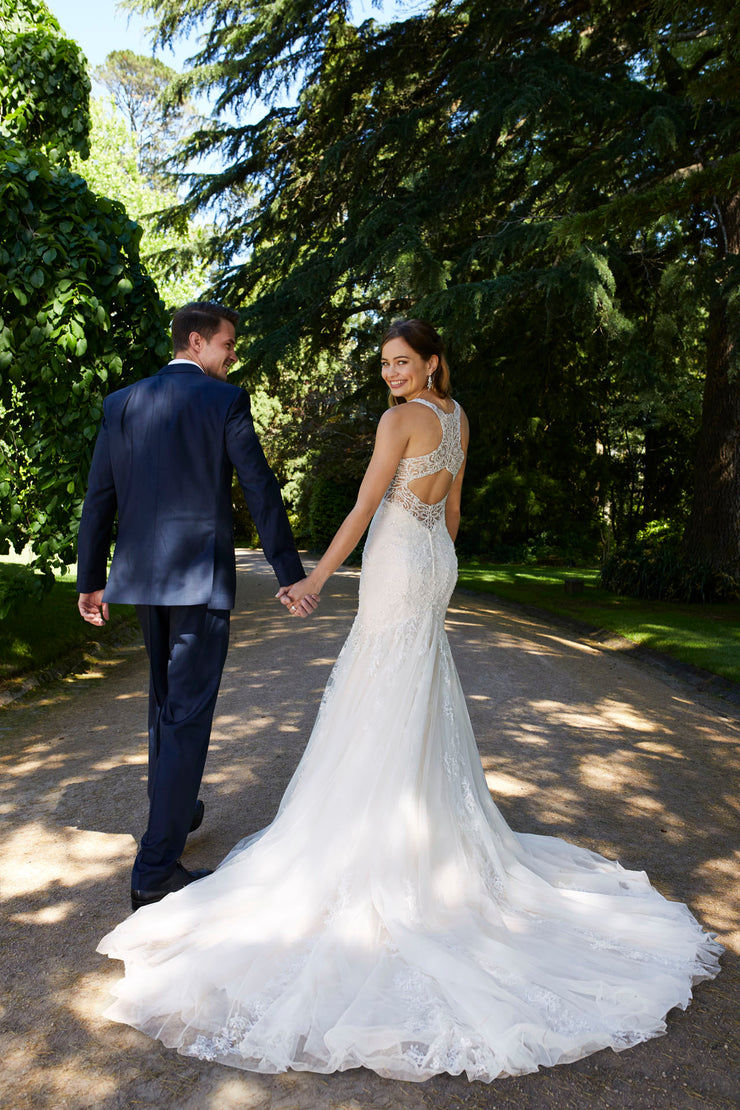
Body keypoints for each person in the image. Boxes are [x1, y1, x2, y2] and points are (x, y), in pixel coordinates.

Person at [96, 319, 721, 1083]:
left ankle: (362, 841)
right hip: (433, 559)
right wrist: (439, 567)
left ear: (432, 362)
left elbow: (362, 509)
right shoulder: (458, 418)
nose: (390, 375)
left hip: (397, 553)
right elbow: (452, 507)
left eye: (402, 362)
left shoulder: (400, 419)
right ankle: (411, 830)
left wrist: (314, 579)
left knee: (372, 686)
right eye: (385, 365)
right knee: (414, 685)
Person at [77, 301, 317, 913]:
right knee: (186, 715)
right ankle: (155, 869)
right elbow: (259, 488)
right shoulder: (224, 401)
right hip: (199, 583)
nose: (233, 353)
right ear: (196, 341)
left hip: (141, 582)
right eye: (227, 343)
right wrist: (289, 573)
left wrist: (90, 580)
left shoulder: (121, 403)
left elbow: (99, 498)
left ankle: (177, 812)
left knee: (164, 705)